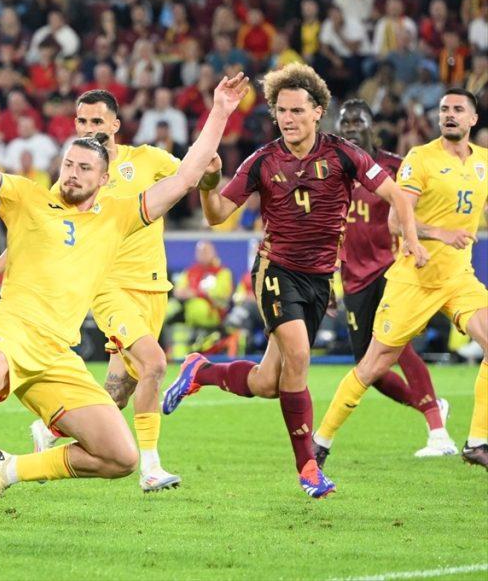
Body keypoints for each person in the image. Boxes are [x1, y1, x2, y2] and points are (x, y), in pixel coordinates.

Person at [0, 74, 249, 525]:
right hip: (13, 328)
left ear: (105, 180)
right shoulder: (28, 197)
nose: (72, 173)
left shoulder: (119, 215)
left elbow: (187, 176)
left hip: (58, 355)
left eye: (85, 169)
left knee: (118, 456)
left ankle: (10, 467)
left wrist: (220, 109)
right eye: (69, 165)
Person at [162, 63, 427, 499]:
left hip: (320, 279)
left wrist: (412, 241)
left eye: (297, 110)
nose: (288, 118)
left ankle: (200, 371)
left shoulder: (343, 153)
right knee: (299, 357)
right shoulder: (262, 160)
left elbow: (395, 194)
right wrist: (209, 183)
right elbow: (215, 217)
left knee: (269, 382)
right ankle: (308, 467)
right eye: (281, 110)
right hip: (275, 269)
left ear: (318, 111)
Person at [0, 88, 191, 492]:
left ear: (115, 125)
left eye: (97, 122)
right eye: (82, 122)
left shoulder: (148, 160)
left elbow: (189, 175)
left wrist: (211, 174)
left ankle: (45, 434)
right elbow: (38, 236)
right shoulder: (71, 181)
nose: (89, 129)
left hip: (152, 284)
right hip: (107, 287)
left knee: (120, 390)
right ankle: (151, 466)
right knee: (154, 363)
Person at [315, 89, 488, 470]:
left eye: (458, 109)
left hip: (459, 278)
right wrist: (438, 235)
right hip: (413, 278)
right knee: (372, 364)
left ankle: (477, 442)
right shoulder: (419, 159)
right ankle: (320, 441)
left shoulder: (484, 164)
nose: (449, 114)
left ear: (473, 119)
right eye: (444, 109)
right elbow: (397, 219)